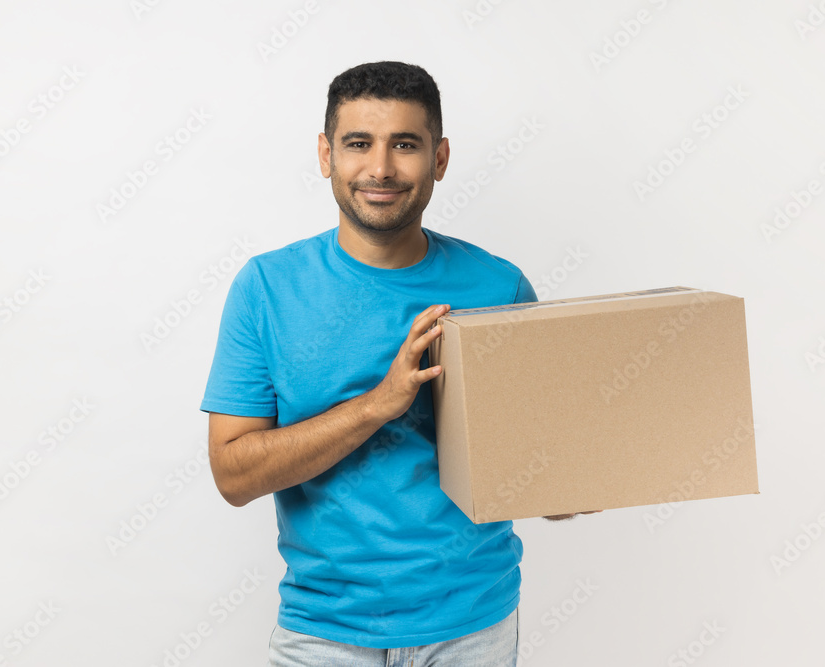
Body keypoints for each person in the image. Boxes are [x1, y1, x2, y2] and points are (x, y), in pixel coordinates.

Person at [200, 60, 594, 667]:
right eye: (359, 144)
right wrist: (379, 405)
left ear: (439, 158)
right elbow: (234, 477)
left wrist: (586, 476)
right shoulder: (267, 289)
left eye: (405, 145)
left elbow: (541, 473)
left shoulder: (499, 287)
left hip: (472, 627)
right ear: (327, 155)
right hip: (323, 631)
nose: (380, 168)